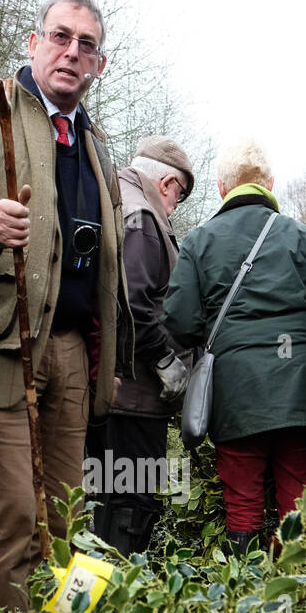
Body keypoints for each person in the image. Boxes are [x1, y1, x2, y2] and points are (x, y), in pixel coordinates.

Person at [0, 0, 134, 611]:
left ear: (98, 62)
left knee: (69, 517)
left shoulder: (95, 143)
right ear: (34, 43)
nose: (72, 52)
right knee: (14, 515)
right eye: (61, 37)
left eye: (88, 44)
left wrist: (111, 358)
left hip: (71, 353)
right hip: (2, 347)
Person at [163, 139, 306, 552]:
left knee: (242, 503)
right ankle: (297, 600)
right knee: (298, 504)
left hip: (237, 390)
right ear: (270, 184)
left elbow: (180, 319)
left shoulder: (199, 241)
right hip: (302, 390)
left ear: (223, 188)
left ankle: (244, 600)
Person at [90, 134, 194, 555]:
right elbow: (133, 300)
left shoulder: (112, 199)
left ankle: (93, 599)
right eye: (180, 196)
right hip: (134, 394)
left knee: (102, 495)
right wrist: (167, 360)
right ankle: (120, 600)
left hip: (107, 387)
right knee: (133, 501)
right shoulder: (143, 215)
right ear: (167, 184)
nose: (175, 206)